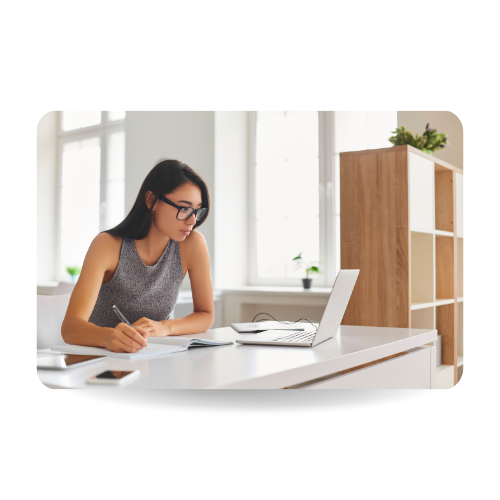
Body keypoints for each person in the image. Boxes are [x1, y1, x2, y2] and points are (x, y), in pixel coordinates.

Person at [61, 159, 214, 353]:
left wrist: (164, 327)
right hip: (100, 358)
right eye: (184, 208)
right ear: (151, 200)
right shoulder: (107, 245)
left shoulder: (192, 244)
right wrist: (109, 337)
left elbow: (206, 314)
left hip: (153, 356)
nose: (192, 220)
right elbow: (70, 328)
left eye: (196, 210)